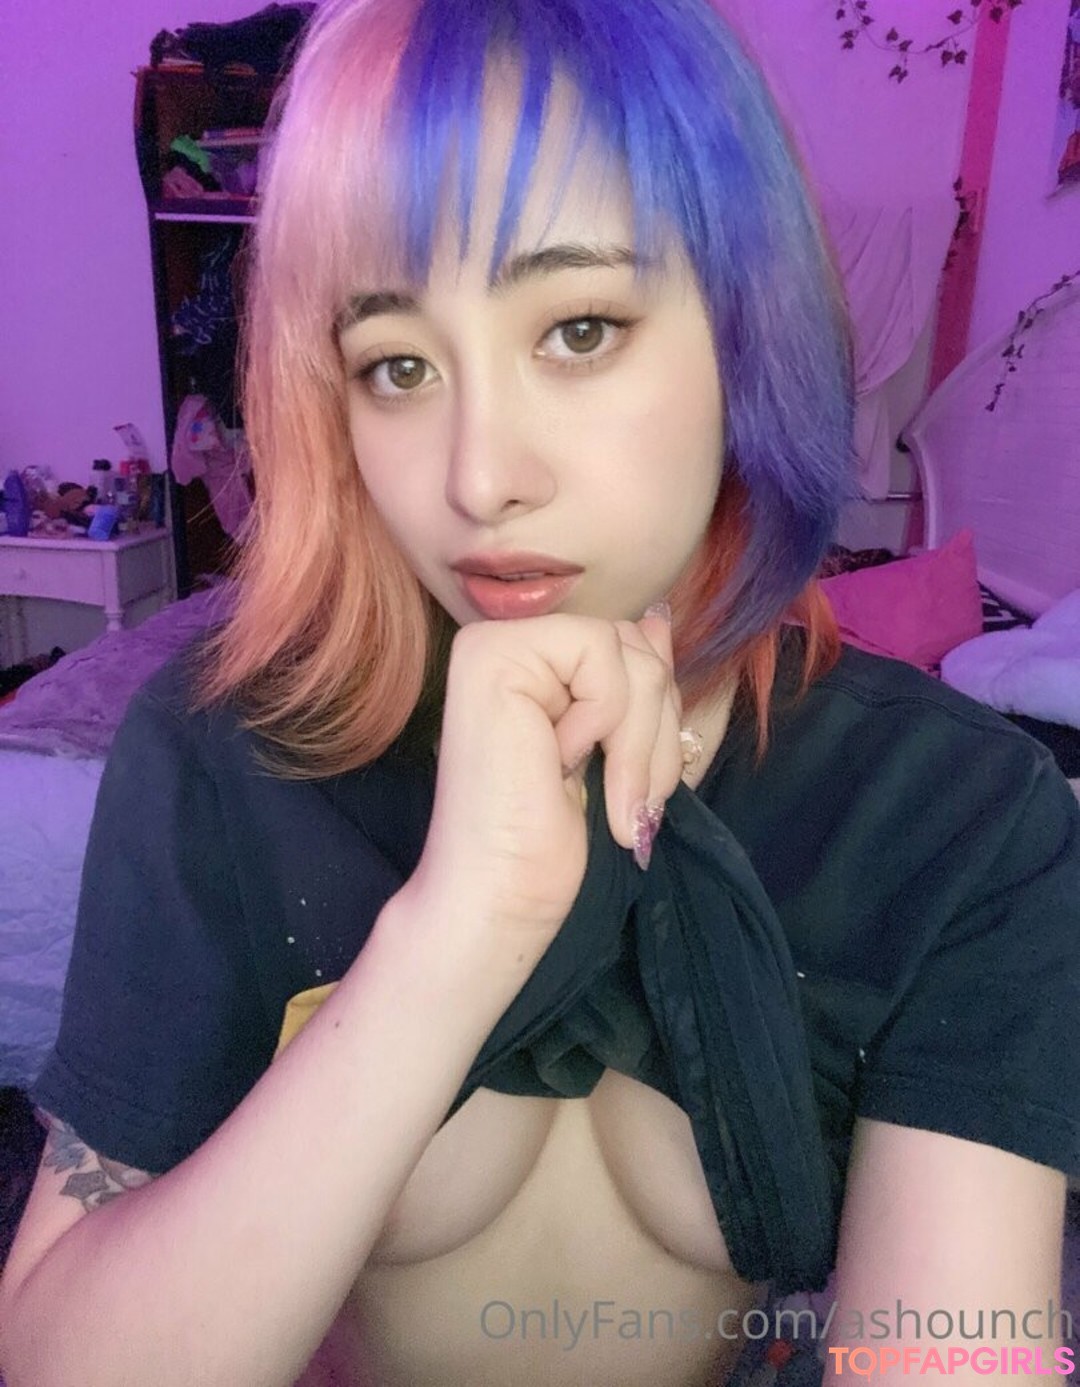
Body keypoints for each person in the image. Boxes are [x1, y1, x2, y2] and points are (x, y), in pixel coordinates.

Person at [2, 0, 1079, 1384]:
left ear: (747, 335)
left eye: (577, 329)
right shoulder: (225, 757)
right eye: (398, 366)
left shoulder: (960, 817)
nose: (477, 477)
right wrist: (457, 934)